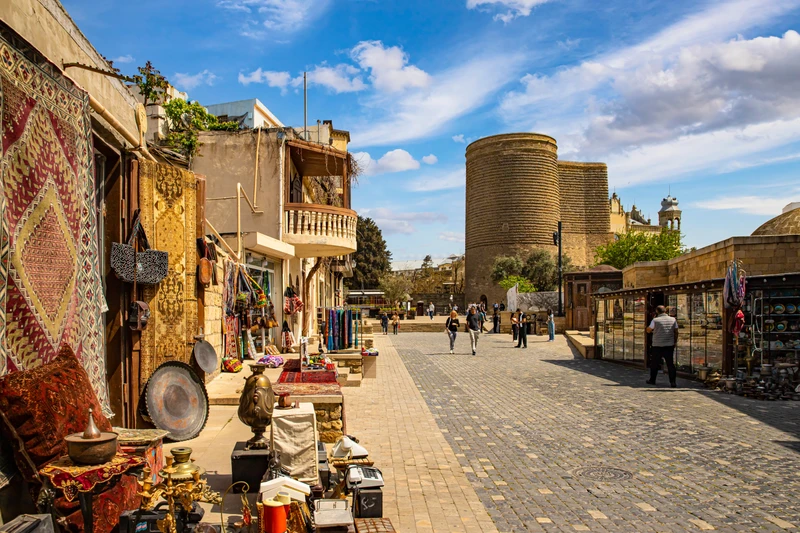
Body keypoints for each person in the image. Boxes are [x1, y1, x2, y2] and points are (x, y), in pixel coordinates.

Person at [646, 305, 679, 387]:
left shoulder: (655, 320)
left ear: (657, 311)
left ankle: (652, 380)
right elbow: (676, 331)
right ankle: (673, 382)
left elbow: (648, 330)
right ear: (665, 311)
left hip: (657, 345)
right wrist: (674, 341)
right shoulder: (673, 319)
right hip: (669, 344)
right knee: (670, 364)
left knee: (655, 363)